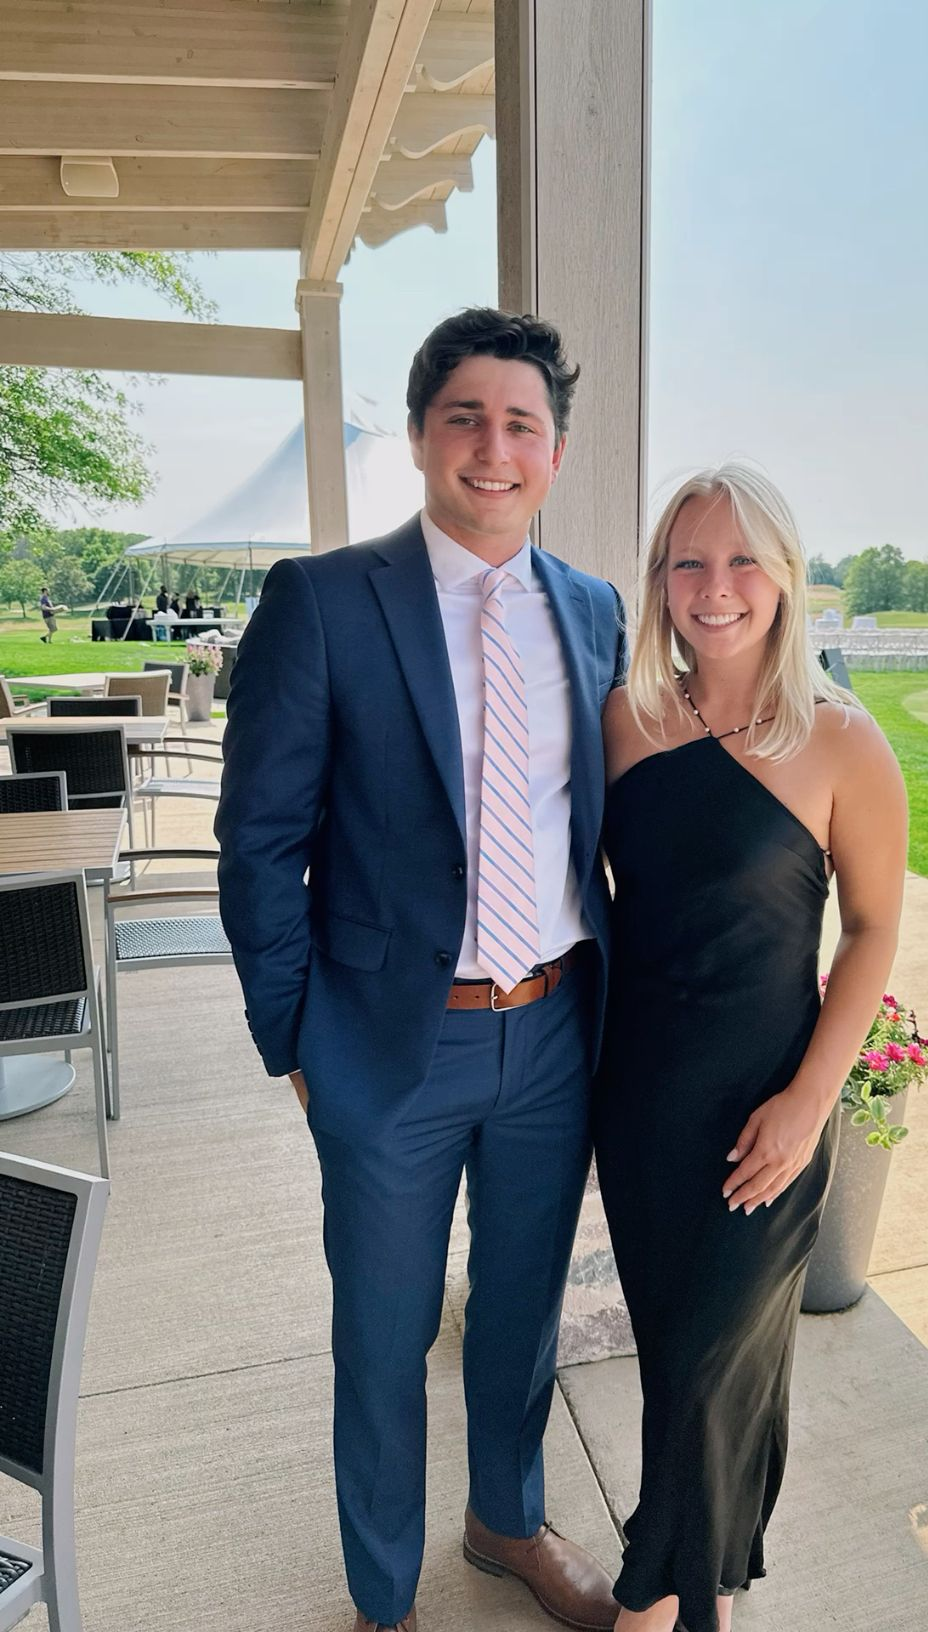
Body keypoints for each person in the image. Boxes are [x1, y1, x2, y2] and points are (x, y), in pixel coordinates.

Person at [216, 308, 627, 1632]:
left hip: (554, 1033)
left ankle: (506, 1521)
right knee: (384, 1339)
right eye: (467, 418)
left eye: (522, 424)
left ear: (554, 453)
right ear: (419, 438)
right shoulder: (326, 601)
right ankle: (382, 1598)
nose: (493, 449)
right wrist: (295, 1044)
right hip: (392, 1046)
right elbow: (259, 841)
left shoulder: (595, 611)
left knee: (519, 1317)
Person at [594, 463, 908, 1632]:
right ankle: (706, 1594)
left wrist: (811, 1103)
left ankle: (652, 1602)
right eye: (689, 560)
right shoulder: (625, 720)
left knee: (711, 1367)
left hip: (765, 1114)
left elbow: (873, 931)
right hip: (639, 1109)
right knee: (692, 1370)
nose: (714, 587)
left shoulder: (840, 740)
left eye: (741, 562)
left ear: (784, 577)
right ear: (659, 579)